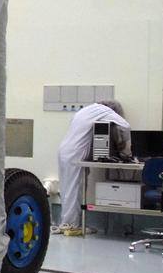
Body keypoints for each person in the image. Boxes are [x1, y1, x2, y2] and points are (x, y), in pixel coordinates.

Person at [55, 100, 131, 236]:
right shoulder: (105, 111)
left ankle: (66, 223)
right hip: (75, 153)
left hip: (64, 150)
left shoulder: (86, 110)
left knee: (66, 188)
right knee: (75, 190)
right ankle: (72, 226)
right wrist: (123, 142)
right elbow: (125, 126)